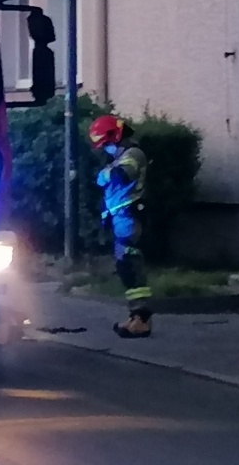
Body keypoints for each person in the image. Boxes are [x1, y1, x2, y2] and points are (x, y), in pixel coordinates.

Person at [89, 113, 153, 338]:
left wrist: (105, 173)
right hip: (122, 218)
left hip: (129, 217)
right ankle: (136, 315)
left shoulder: (133, 154)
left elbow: (119, 176)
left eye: (105, 144)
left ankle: (142, 319)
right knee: (126, 267)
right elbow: (105, 179)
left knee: (131, 266)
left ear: (115, 136)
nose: (104, 149)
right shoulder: (122, 156)